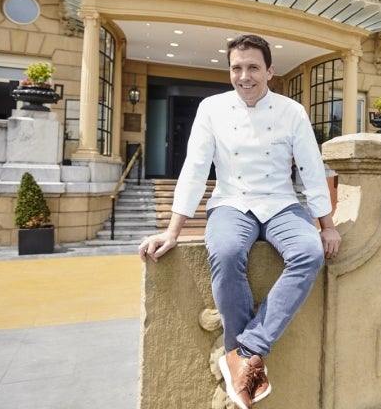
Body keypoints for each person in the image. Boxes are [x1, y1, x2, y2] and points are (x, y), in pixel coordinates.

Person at [138, 34, 341, 409]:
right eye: (237, 68)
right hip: (231, 201)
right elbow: (195, 169)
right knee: (228, 252)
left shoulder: (291, 111)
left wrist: (326, 224)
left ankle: (244, 349)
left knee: (309, 251)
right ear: (229, 70)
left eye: (253, 67)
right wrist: (173, 230)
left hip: (281, 202)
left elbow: (312, 170)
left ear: (270, 72)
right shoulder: (211, 109)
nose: (244, 76)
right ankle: (247, 360)